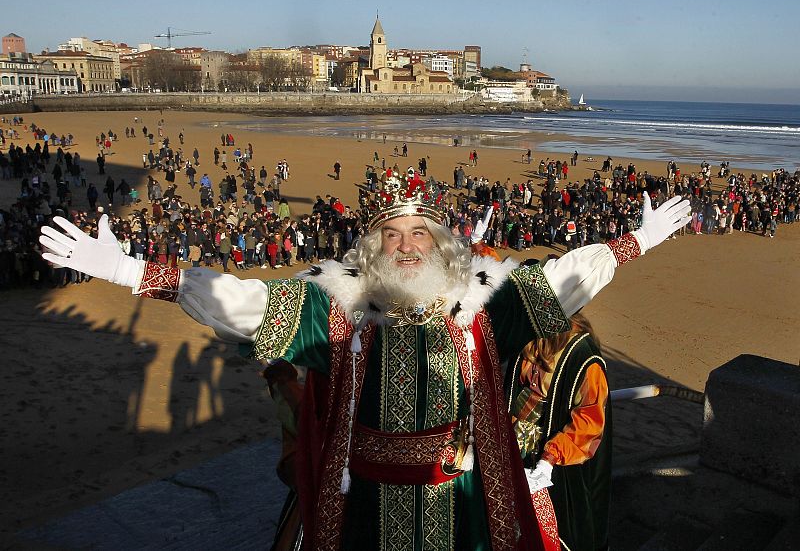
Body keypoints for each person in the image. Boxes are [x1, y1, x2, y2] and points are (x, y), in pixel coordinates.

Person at [38, 179, 690, 550]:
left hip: (462, 498)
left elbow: (564, 279)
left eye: (420, 235)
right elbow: (242, 303)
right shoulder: (334, 303)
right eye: (393, 235)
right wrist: (131, 270)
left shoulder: (485, 301)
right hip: (362, 504)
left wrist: (637, 242)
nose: (407, 246)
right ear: (371, 247)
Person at [508, 311, 610, 551]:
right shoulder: (526, 331)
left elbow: (589, 421)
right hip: (516, 448)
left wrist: (549, 459)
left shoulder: (584, 358)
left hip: (555, 461)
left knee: (554, 531)